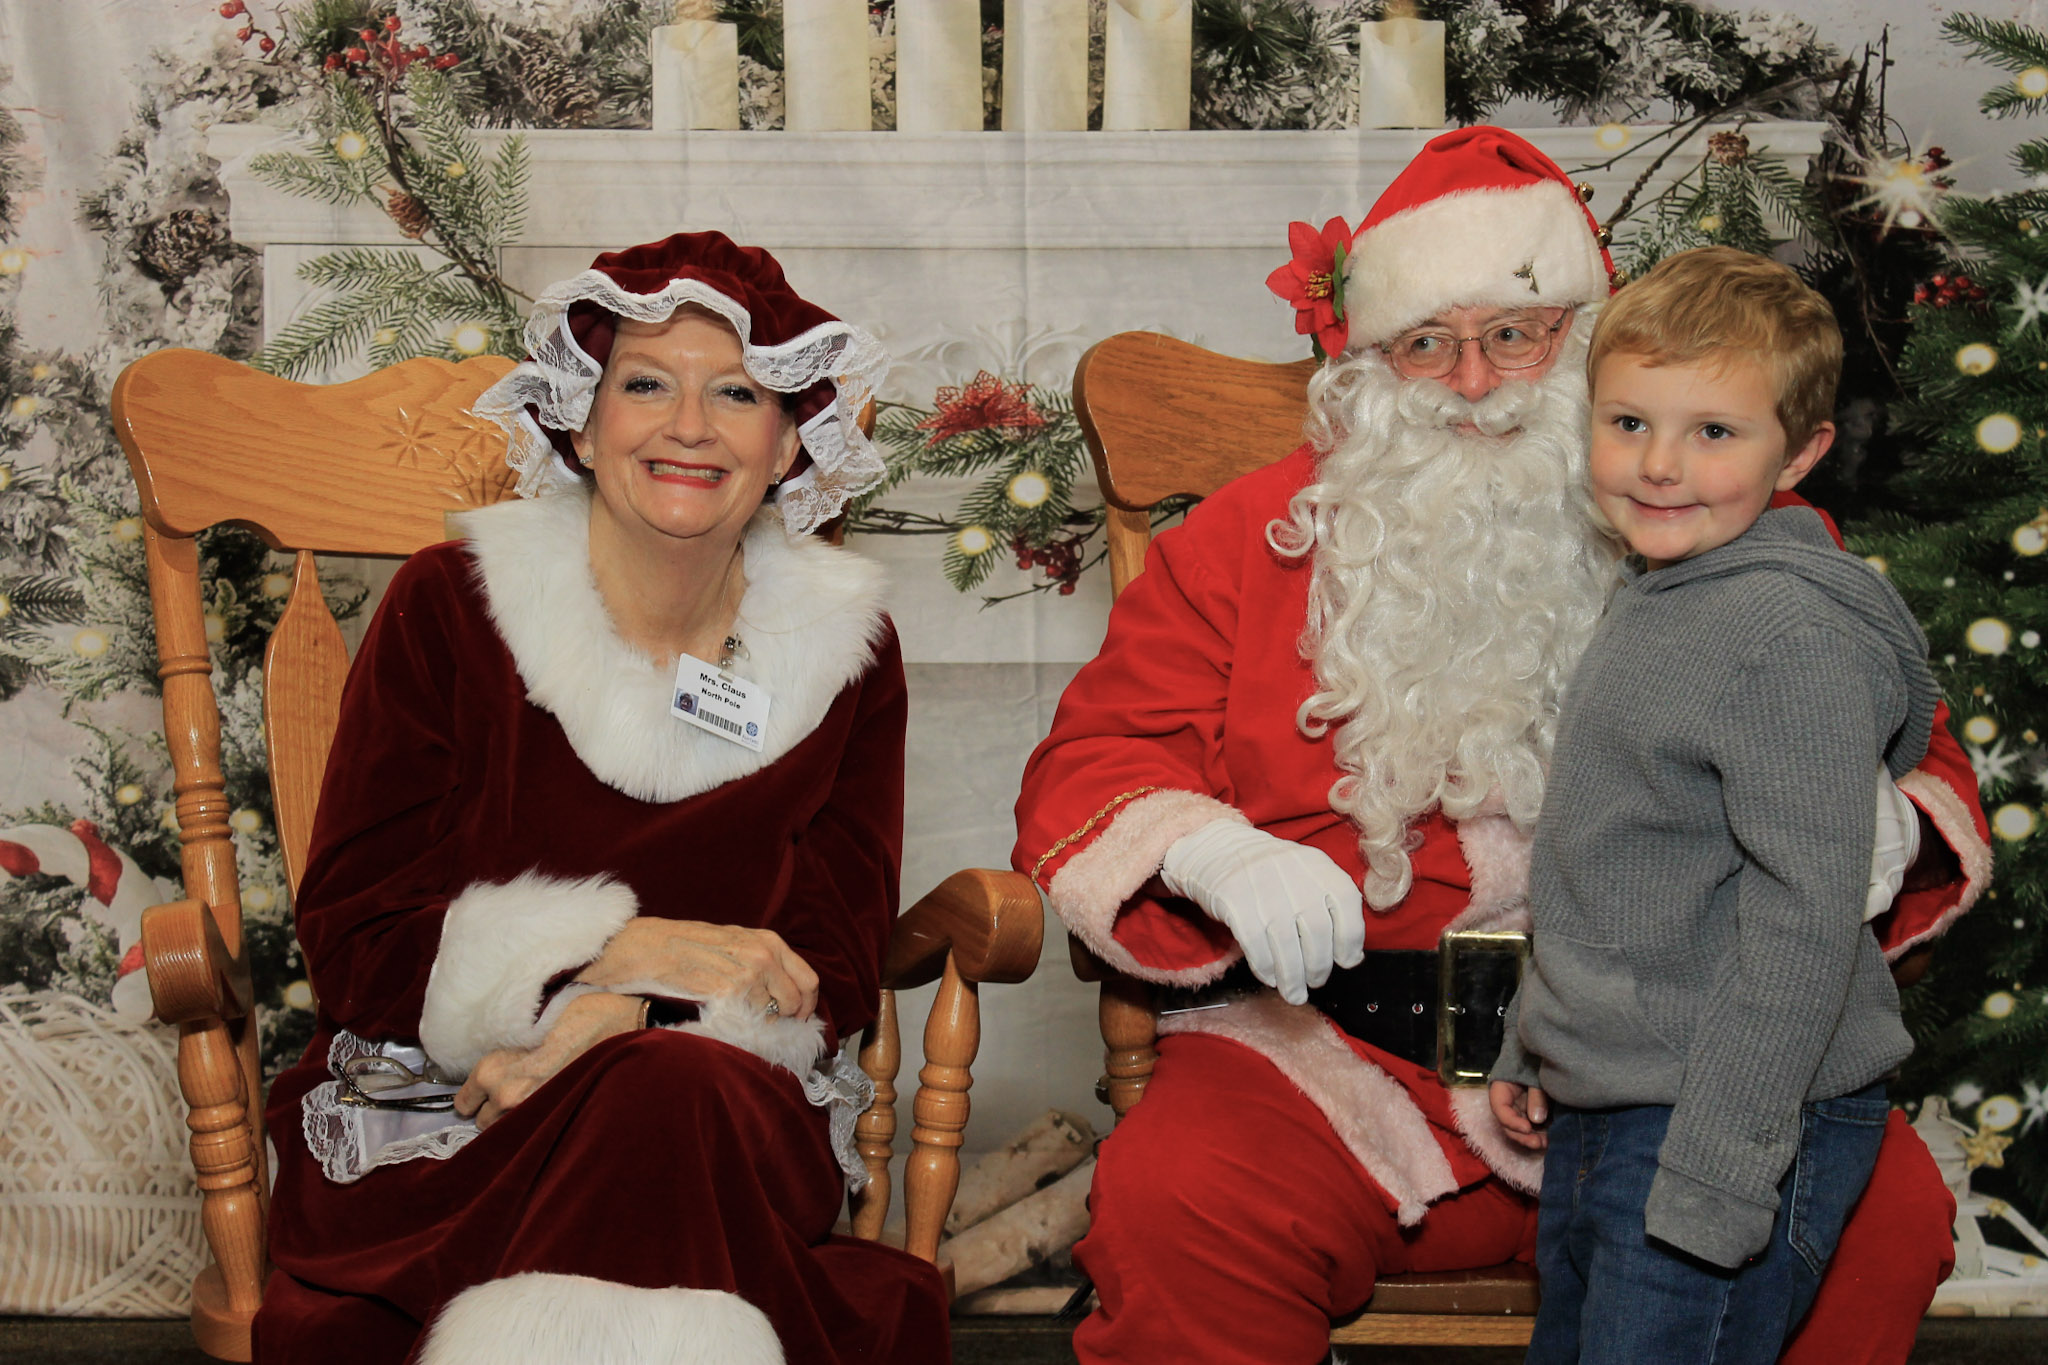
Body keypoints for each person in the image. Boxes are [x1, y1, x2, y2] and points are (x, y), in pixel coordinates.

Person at [1011, 128, 1989, 1365]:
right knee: (1181, 1201)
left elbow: (1917, 749)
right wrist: (1209, 853)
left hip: (1678, 1056)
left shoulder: (1742, 535)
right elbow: (1096, 757)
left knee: (1878, 1213)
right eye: (1425, 343)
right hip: (1341, 1058)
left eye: (1516, 334)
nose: (1473, 383)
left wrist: (1884, 818)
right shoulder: (1250, 541)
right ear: (1365, 363)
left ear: (1587, 340)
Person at [253, 233, 950, 1365]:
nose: (689, 425)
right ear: (580, 422)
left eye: (738, 392)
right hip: (463, 1115)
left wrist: (633, 1019)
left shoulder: (846, 649)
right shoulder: (452, 606)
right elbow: (358, 943)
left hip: (725, 1110)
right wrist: (623, 956)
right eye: (643, 385)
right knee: (653, 1112)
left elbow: (832, 950)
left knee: (664, 1100)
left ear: (785, 446)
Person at [1485, 246, 1935, 1362]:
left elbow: (1799, 925)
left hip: (1725, 1119)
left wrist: (1723, 1167)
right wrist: (1529, 1043)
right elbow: (1613, 869)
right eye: (1627, 422)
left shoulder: (1785, 638)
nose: (1658, 466)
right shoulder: (1666, 596)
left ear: (1801, 454)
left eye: (1713, 433)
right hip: (1617, 1098)